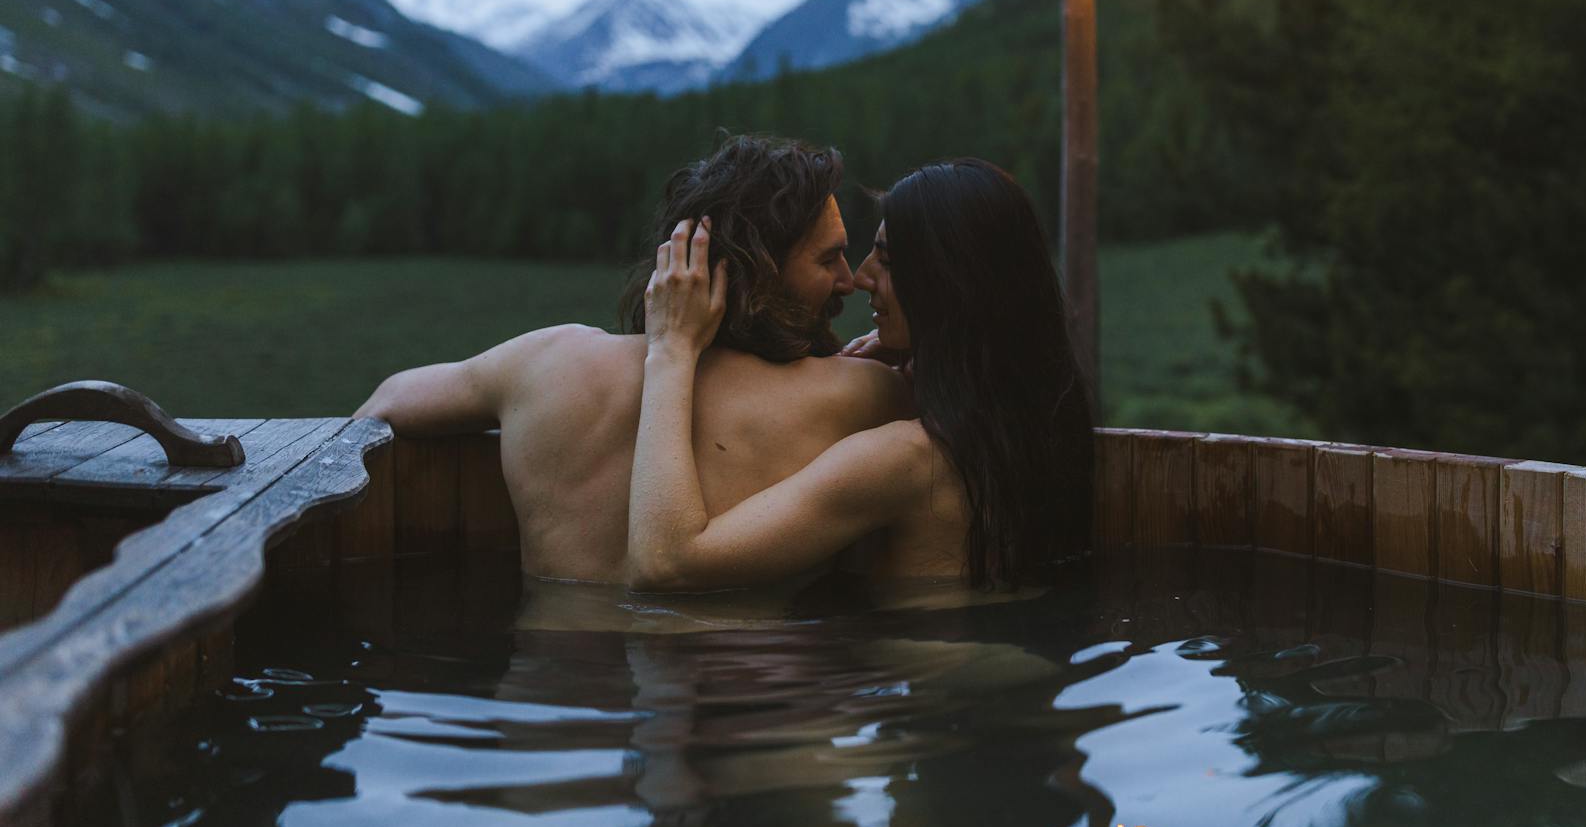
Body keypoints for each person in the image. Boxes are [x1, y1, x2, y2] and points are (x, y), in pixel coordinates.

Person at [352, 134, 912, 582]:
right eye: (829, 259)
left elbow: (387, 403)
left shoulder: (545, 362)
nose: (848, 281)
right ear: (760, 269)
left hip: (550, 704)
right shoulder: (856, 395)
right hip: (733, 699)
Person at [627, 158, 1095, 592]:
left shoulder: (902, 460)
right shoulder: (1037, 427)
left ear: (951, 281)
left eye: (888, 262)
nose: (861, 277)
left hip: (922, 674)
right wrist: (921, 358)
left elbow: (667, 563)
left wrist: (672, 350)